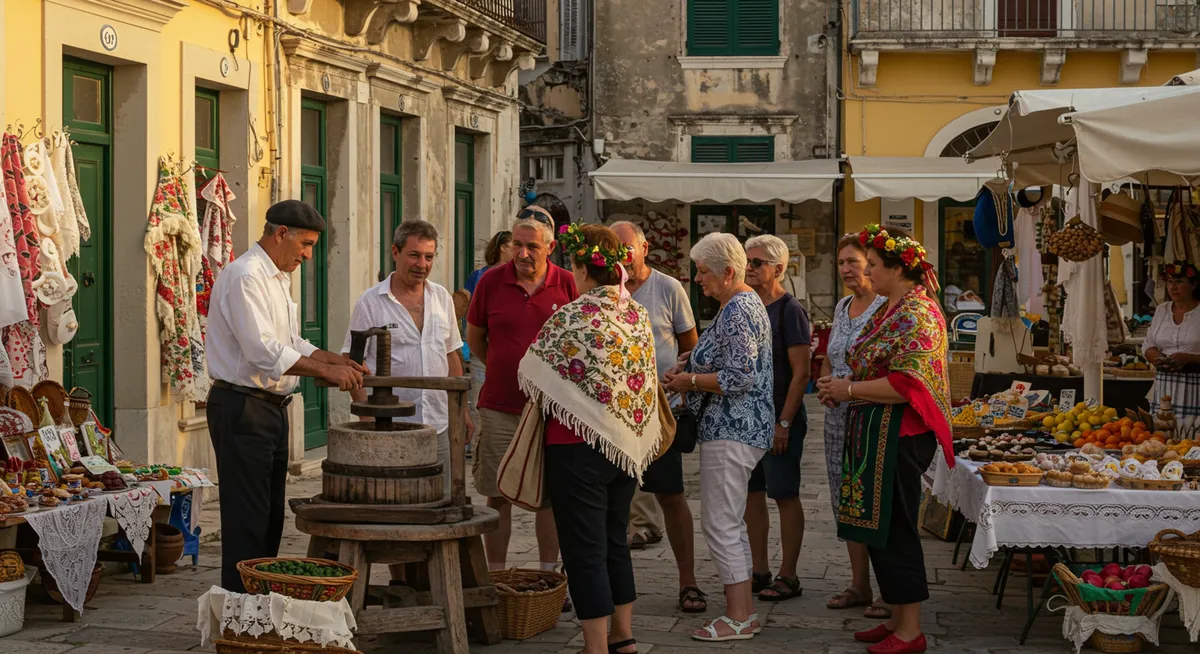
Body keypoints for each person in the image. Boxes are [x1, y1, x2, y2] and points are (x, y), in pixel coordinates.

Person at [205, 200, 367, 592]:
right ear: (281, 234)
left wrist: (336, 359)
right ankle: (240, 614)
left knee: (268, 519)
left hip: (271, 410)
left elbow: (292, 342)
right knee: (247, 520)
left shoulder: (278, 277)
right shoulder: (246, 276)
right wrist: (328, 371)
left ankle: (261, 604)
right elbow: (262, 351)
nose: (308, 255)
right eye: (306, 245)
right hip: (242, 407)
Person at [521, 223, 663, 654]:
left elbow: (530, 372)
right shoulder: (634, 313)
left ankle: (595, 647)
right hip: (625, 448)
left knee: (583, 549)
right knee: (614, 541)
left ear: (582, 266)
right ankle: (624, 637)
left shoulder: (572, 315)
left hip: (574, 449)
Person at [817, 225, 954, 654]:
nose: (867, 272)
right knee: (875, 526)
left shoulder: (918, 312)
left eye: (874, 265)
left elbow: (907, 383)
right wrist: (842, 384)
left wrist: (850, 390)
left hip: (900, 433)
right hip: (873, 429)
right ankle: (896, 616)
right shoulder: (888, 309)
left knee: (895, 528)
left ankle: (911, 630)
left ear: (898, 269)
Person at [663, 232, 772, 642]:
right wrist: (690, 365)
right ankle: (741, 611)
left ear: (728, 272)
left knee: (721, 523)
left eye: (703, 270)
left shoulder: (739, 308)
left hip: (733, 428)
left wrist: (688, 380)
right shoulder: (737, 304)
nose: (697, 278)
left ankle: (739, 616)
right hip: (734, 428)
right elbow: (726, 358)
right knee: (727, 522)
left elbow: (740, 376)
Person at [466, 216, 575, 576]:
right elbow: (477, 338)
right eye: (517, 244)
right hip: (500, 405)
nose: (523, 253)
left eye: (532, 246)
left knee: (551, 498)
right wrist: (506, 366)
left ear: (551, 248)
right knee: (497, 494)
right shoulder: (491, 281)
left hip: (552, 410)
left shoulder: (569, 284)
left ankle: (548, 575)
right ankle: (495, 577)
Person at [340, 219, 473, 500]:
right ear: (395, 252)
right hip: (389, 426)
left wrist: (461, 412)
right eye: (414, 255)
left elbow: (451, 354)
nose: (421, 264)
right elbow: (351, 360)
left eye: (428, 257)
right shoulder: (370, 302)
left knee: (442, 499)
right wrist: (366, 417)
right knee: (392, 499)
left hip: (438, 422)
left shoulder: (442, 299)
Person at [610, 220, 705, 613]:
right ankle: (601, 584)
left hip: (657, 413)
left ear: (644, 247)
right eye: (614, 249)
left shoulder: (668, 288)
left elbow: (690, 346)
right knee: (607, 500)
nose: (622, 256)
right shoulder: (605, 288)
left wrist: (680, 383)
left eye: (627, 247)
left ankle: (689, 582)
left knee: (671, 495)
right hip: (612, 416)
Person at [823, 234, 890, 619]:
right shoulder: (844, 305)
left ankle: (887, 588)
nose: (847, 269)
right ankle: (859, 583)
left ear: (872, 264)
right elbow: (831, 355)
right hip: (837, 418)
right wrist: (828, 385)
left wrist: (847, 389)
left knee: (874, 499)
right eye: (841, 263)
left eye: (854, 261)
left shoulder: (886, 307)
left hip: (871, 416)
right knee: (845, 499)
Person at [741, 234, 811, 603]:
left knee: (784, 493)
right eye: (746, 261)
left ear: (778, 269)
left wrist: (784, 423)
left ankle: (789, 574)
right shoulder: (745, 305)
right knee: (752, 494)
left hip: (779, 416)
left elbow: (801, 373)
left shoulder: (789, 310)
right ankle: (759, 569)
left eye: (756, 263)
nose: (748, 269)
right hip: (747, 419)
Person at [462, 230, 513, 439]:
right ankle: (477, 443)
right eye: (514, 245)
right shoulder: (480, 276)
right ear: (502, 247)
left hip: (506, 352)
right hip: (482, 347)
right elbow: (469, 311)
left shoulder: (519, 276)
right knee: (479, 399)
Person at [1143, 260, 1200, 419]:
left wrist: (1188, 358)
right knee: (1163, 431)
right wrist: (1159, 358)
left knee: (1192, 435)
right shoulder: (1162, 310)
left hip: (1195, 384)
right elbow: (1149, 344)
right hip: (1164, 384)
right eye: (1170, 282)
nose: (1173, 287)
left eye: (1179, 282)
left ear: (1193, 285)